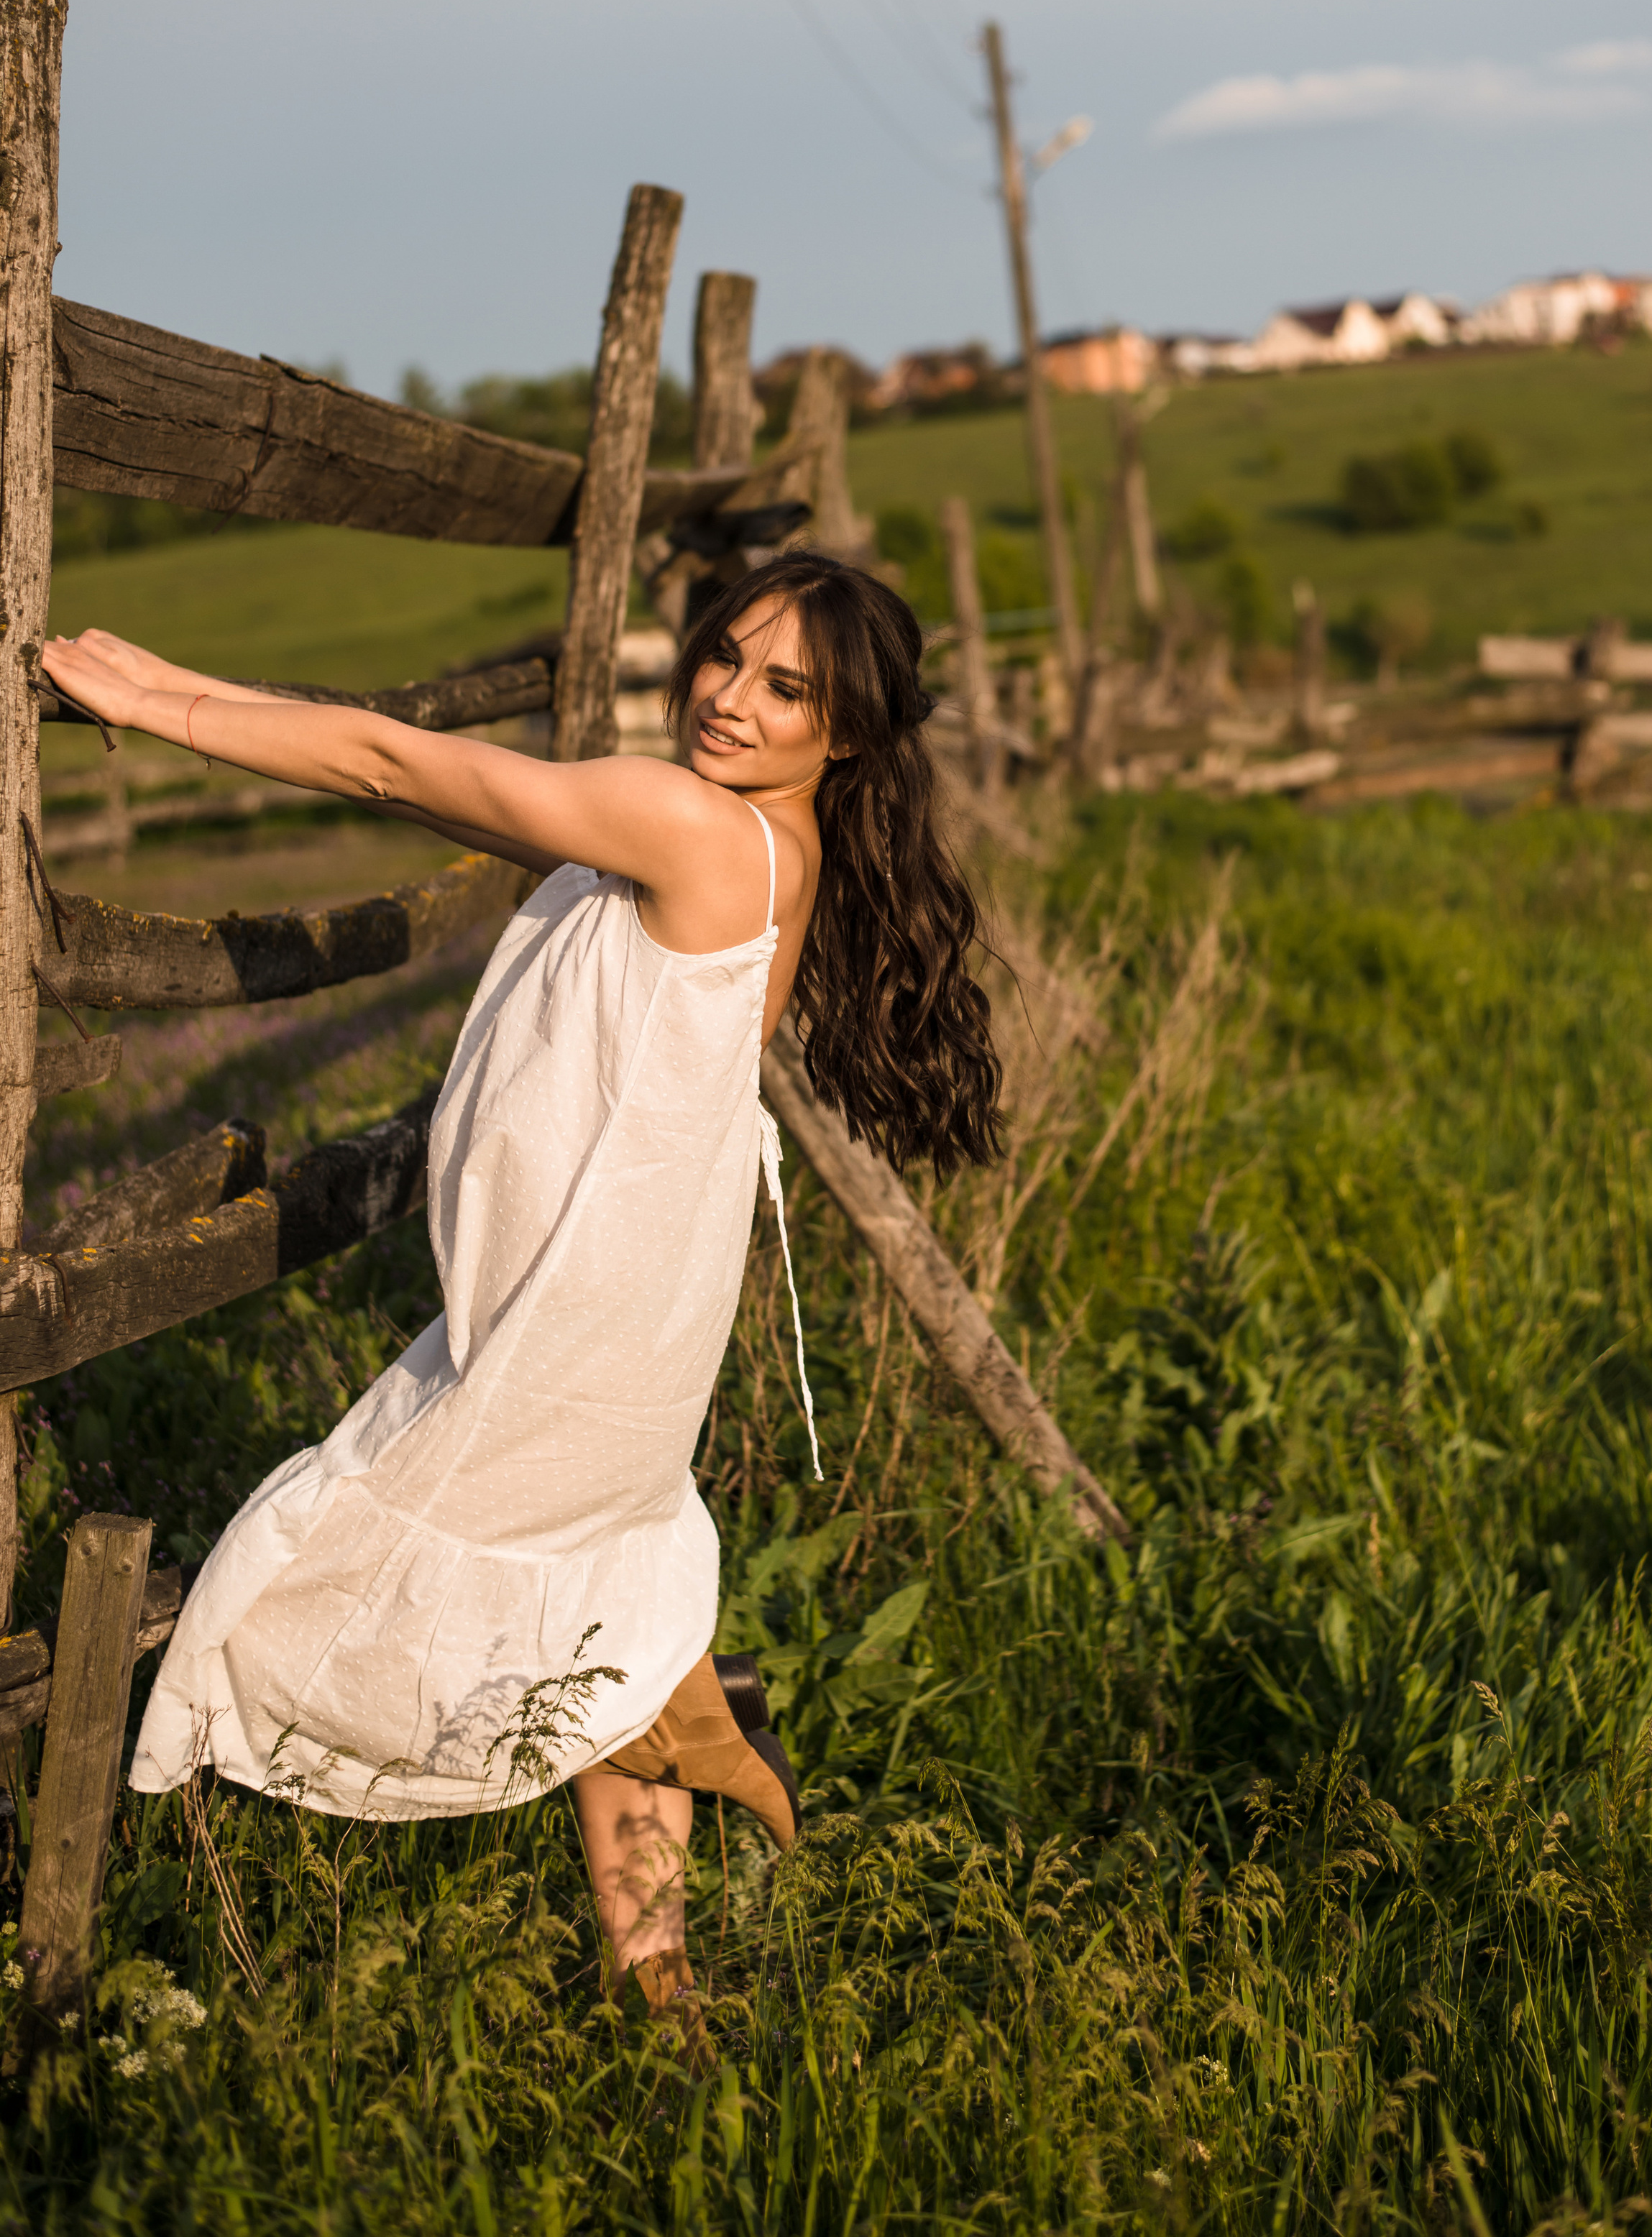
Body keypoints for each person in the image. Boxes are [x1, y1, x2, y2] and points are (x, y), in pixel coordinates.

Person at [42, 550, 1002, 2052]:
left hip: (586, 1303)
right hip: (636, 1292)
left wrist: (154, 696)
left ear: (852, 732)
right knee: (587, 1579)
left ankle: (664, 1709)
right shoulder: (773, 841)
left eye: (785, 687)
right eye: (724, 656)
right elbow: (449, 795)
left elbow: (382, 757)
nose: (727, 699)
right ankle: (660, 1983)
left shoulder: (689, 822)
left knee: (309, 1584)